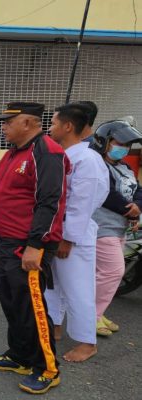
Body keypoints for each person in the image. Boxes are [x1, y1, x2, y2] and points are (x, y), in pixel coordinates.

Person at [0, 102, 69, 394]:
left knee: (32, 307)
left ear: (29, 123)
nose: (3, 126)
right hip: (8, 240)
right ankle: (19, 355)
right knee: (12, 302)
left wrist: (35, 245)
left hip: (28, 245)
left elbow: (50, 202)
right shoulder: (13, 153)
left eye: (8, 122)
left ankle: (47, 368)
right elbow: (1, 195)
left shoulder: (46, 152)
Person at [44, 104, 109, 363]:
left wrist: (68, 237)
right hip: (56, 231)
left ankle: (86, 342)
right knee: (53, 285)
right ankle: (55, 326)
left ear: (68, 126)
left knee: (77, 288)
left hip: (73, 235)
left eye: (54, 123)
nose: (50, 128)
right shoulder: (65, 154)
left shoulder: (87, 159)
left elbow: (81, 203)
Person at [88, 120, 142, 336]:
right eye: (120, 143)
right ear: (106, 142)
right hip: (102, 226)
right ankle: (90, 317)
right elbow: (105, 193)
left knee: (101, 273)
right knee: (113, 272)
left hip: (119, 227)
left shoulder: (125, 166)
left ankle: (96, 314)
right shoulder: (98, 165)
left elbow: (138, 188)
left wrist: (137, 206)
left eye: (128, 145)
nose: (125, 149)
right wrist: (128, 210)